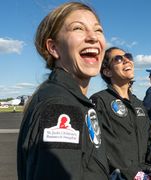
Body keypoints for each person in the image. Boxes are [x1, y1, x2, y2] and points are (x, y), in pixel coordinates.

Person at [16, 2, 109, 180]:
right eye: (78, 28)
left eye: (98, 30)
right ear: (54, 48)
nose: (93, 37)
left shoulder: (70, 98)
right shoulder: (61, 106)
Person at [90, 47, 151, 180]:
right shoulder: (100, 101)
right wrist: (138, 176)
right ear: (107, 71)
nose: (126, 60)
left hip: (146, 174)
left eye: (128, 57)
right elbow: (106, 147)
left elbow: (150, 139)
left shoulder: (138, 104)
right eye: (118, 59)